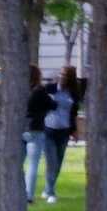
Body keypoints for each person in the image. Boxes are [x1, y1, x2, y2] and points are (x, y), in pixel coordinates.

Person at [38, 65, 82, 203]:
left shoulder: (72, 93)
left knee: (58, 163)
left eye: (65, 76)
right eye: (61, 74)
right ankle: (51, 192)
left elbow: (73, 113)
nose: (62, 77)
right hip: (49, 130)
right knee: (51, 162)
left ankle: (47, 189)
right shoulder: (49, 89)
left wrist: (75, 130)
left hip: (64, 131)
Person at [24, 66, 51, 204]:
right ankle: (29, 195)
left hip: (21, 128)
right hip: (35, 128)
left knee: (18, 163)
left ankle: (19, 191)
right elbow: (52, 104)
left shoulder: (20, 89)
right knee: (33, 164)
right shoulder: (39, 91)